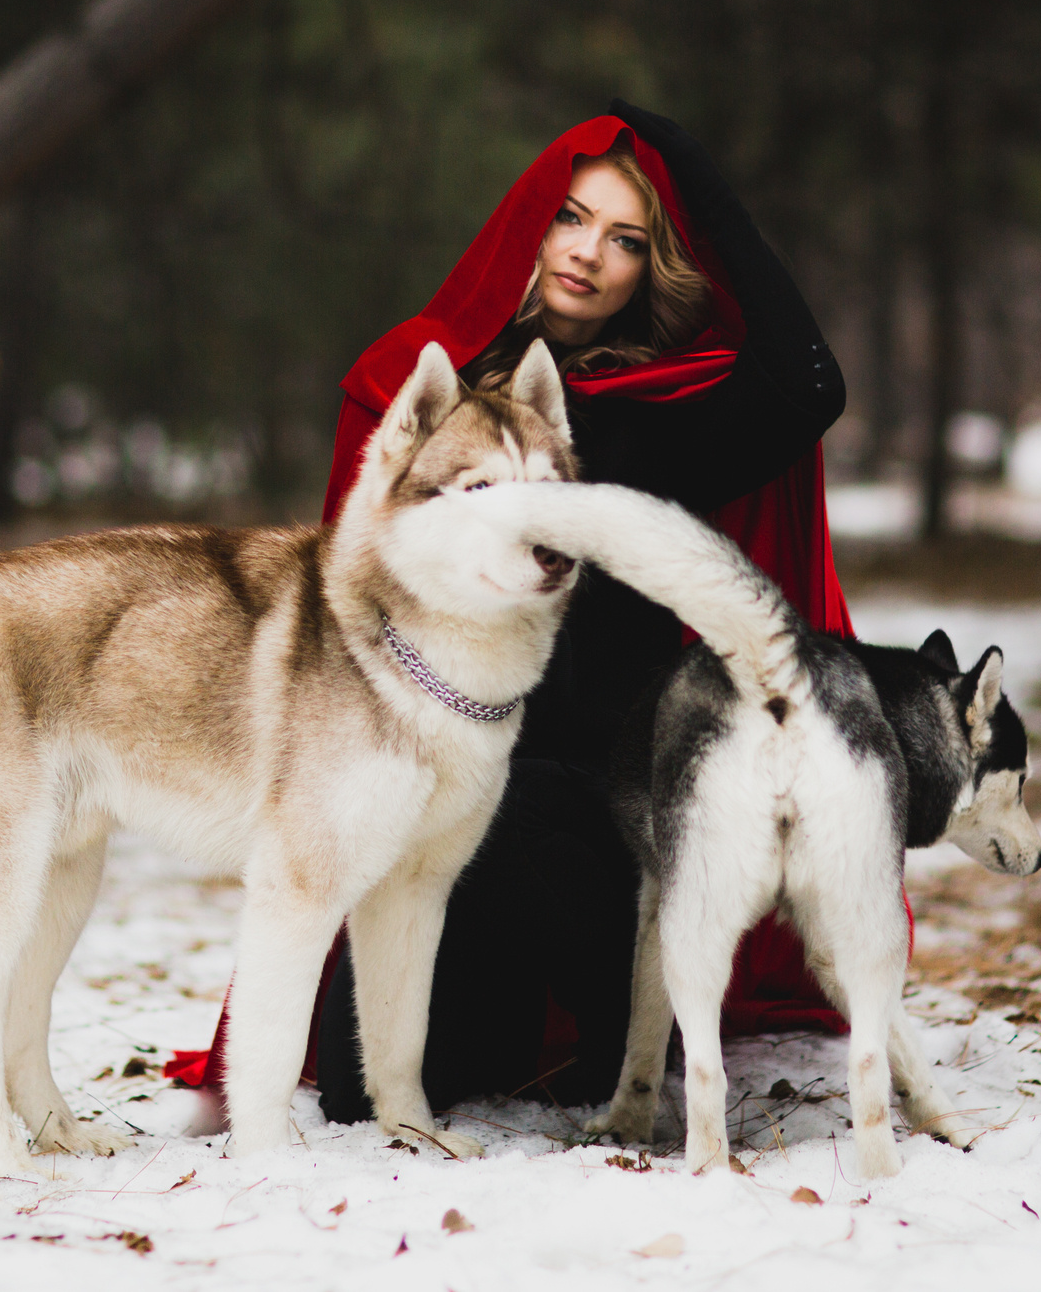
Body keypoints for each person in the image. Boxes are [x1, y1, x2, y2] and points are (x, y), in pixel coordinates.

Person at [167, 99, 853, 1120]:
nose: (589, 254)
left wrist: (688, 167)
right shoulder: (416, 394)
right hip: (435, 817)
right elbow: (342, 620)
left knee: (510, 799)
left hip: (595, 823)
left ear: (648, 270)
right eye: (570, 217)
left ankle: (625, 1027)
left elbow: (807, 385)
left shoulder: (655, 419)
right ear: (525, 221)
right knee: (367, 1097)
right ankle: (530, 1028)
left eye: (626, 240)